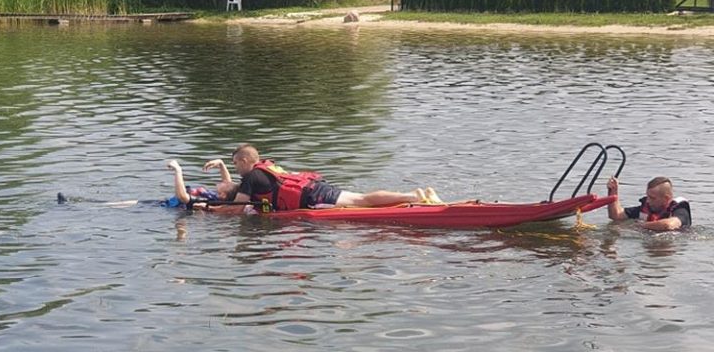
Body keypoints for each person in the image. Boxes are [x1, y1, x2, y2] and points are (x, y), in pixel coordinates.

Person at [202, 143, 443, 214]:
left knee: (361, 202)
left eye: (235, 163)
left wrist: (211, 210)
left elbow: (237, 207)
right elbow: (232, 188)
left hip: (313, 198)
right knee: (361, 198)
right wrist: (222, 165)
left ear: (245, 161)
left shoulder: (251, 177)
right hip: (314, 188)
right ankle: (414, 195)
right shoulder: (267, 167)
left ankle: (413, 197)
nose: (236, 169)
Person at [56, 160, 229, 209]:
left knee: (121, 205)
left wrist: (178, 171)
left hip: (161, 208)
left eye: (224, 185)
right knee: (125, 203)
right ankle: (81, 204)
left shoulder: (209, 202)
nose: (222, 183)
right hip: (161, 202)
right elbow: (228, 183)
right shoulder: (220, 195)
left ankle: (75, 207)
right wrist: (221, 164)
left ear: (223, 195)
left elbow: (183, 197)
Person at [606, 176, 691, 231]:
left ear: (666, 198)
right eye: (647, 196)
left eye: (652, 198)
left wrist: (640, 226)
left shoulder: (680, 209)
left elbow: (668, 225)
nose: (648, 201)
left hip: (668, 247)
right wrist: (613, 192)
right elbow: (616, 215)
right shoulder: (646, 208)